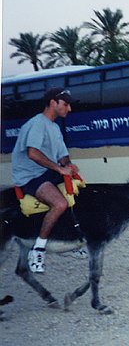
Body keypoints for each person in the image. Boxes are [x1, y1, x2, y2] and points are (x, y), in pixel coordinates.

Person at [11, 87, 81, 273]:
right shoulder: (37, 124)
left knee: (78, 193)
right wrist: (59, 168)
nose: (69, 109)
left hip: (45, 171)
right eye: (65, 104)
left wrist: (69, 166)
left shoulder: (54, 127)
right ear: (53, 103)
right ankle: (38, 250)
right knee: (59, 204)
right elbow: (32, 153)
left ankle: (67, 240)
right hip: (29, 175)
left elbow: (62, 156)